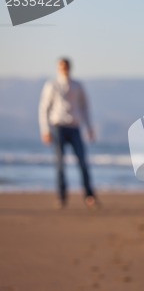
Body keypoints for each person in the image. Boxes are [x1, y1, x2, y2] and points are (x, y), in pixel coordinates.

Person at [39, 57, 98, 209]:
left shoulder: (77, 85)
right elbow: (44, 108)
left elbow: (85, 107)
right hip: (58, 127)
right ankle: (61, 196)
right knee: (60, 164)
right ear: (58, 68)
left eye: (66, 66)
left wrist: (89, 127)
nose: (64, 69)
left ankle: (89, 195)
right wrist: (45, 130)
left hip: (75, 127)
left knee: (82, 162)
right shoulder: (52, 85)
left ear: (70, 68)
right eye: (61, 66)